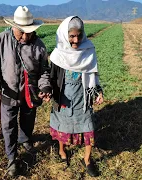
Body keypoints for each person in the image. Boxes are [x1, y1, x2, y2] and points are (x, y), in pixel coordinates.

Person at [0, 6, 51, 177]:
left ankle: (25, 139)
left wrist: (44, 86)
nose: (25, 36)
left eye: (28, 32)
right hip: (9, 92)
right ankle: (11, 158)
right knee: (8, 126)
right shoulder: (1, 40)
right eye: (21, 32)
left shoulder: (39, 46)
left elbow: (44, 70)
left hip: (30, 93)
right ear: (13, 26)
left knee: (28, 120)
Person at [49, 16, 104, 177]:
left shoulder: (88, 51)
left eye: (79, 35)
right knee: (62, 124)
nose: (76, 40)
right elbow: (51, 77)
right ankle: (62, 151)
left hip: (83, 97)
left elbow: (94, 75)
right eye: (71, 36)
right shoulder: (58, 55)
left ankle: (87, 159)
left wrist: (98, 92)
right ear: (65, 36)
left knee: (88, 126)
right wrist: (47, 91)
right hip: (63, 97)